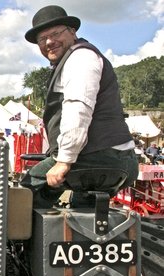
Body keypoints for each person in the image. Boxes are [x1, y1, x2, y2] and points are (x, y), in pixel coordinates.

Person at [20, 5, 138, 208]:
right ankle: (71, 235)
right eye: (42, 39)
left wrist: (64, 161)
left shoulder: (80, 58)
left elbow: (78, 109)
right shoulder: (71, 60)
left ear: (72, 32)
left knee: (25, 191)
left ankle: (23, 240)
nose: (49, 42)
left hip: (102, 156)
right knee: (82, 208)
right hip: (109, 157)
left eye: (55, 33)